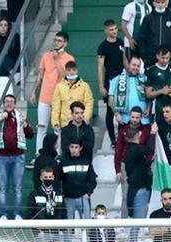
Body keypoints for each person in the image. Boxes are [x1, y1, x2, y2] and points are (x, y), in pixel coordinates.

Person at [0, 94, 33, 219]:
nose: (9, 104)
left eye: (11, 101)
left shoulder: (19, 117)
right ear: (3, 104)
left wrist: (25, 124)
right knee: (3, 188)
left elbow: (30, 135)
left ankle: (18, 214)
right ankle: (3, 214)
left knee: (18, 188)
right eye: (6, 101)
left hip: (18, 156)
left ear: (15, 104)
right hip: (2, 157)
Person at [31, 31, 74, 151]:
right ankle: (38, 154)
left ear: (65, 43)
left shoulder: (69, 58)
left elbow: (64, 76)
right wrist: (34, 91)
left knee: (57, 128)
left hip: (59, 98)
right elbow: (40, 75)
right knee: (41, 127)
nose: (56, 43)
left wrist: (56, 60)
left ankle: (58, 155)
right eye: (55, 40)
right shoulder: (46, 56)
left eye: (59, 41)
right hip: (44, 96)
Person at [98, 20, 127, 148]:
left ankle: (121, 138)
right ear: (105, 31)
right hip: (110, 80)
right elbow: (100, 67)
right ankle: (113, 140)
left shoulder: (121, 43)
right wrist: (101, 85)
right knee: (110, 112)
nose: (114, 31)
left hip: (122, 80)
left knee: (122, 109)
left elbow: (125, 61)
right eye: (111, 29)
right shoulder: (102, 46)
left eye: (115, 29)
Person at [60, 137, 96, 221]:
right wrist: (63, 193)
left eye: (76, 147)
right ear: (69, 147)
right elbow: (58, 179)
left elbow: (92, 179)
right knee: (68, 225)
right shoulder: (64, 162)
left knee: (86, 225)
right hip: (68, 198)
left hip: (83, 197)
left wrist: (88, 193)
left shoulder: (86, 162)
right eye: (72, 147)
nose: (74, 149)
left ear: (80, 148)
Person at [51, 61, 94, 131]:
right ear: (65, 71)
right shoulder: (59, 87)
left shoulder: (85, 86)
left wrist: (85, 118)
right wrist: (55, 123)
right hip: (65, 124)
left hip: (80, 123)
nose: (71, 72)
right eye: (69, 70)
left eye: (73, 70)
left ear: (77, 71)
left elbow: (89, 103)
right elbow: (55, 107)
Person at [138, 0, 171, 66]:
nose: (160, 4)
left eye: (162, 2)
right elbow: (142, 38)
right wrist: (144, 55)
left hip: (168, 57)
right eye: (158, 2)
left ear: (166, 3)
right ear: (154, 3)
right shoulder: (148, 18)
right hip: (151, 57)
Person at [144, 46, 171, 118]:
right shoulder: (151, 71)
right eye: (163, 58)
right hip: (158, 106)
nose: (165, 60)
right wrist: (161, 91)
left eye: (167, 58)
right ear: (157, 56)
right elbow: (148, 94)